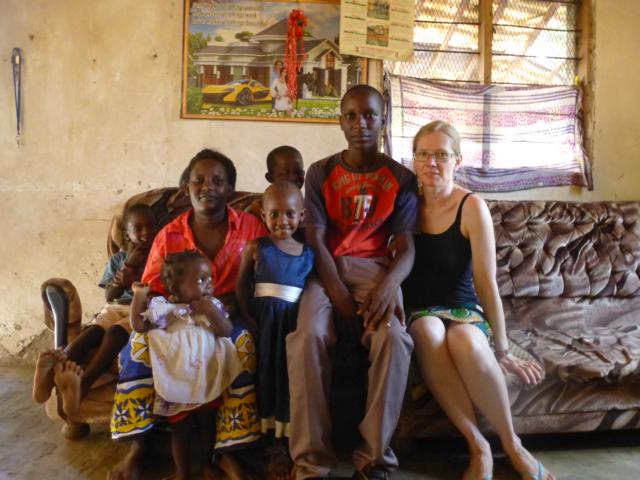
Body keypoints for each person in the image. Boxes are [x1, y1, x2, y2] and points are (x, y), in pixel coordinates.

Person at [402, 120, 555, 480]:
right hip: (419, 310)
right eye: (423, 154)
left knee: (465, 341)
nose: (431, 163)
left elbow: (486, 282)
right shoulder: (405, 204)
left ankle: (514, 446)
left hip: (462, 309)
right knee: (427, 330)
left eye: (441, 155)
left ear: (457, 160)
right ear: (414, 160)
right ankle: (478, 446)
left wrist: (503, 348)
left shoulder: (471, 206)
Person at [108, 149, 268, 480]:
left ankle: (229, 451)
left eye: (218, 181)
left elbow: (266, 277)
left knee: (242, 346)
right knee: (137, 348)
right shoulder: (169, 234)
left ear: (229, 189)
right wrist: (178, 309)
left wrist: (227, 304)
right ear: (186, 188)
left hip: (228, 314)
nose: (208, 186)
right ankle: (138, 448)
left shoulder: (251, 227)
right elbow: (151, 287)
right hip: (177, 316)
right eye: (199, 180)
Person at [287, 84, 418, 480]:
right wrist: (339, 295)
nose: (360, 123)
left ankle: (374, 458)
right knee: (307, 337)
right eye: (351, 115)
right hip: (327, 269)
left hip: (377, 270)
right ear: (340, 122)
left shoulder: (401, 177)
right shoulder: (320, 172)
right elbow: (315, 240)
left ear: (383, 120)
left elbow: (407, 247)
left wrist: (390, 285)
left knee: (393, 338)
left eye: (369, 115)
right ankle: (311, 462)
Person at [32, 203, 156, 419]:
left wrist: (138, 276)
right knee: (93, 331)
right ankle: (53, 368)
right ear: (127, 234)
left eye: (150, 227)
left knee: (115, 333)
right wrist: (127, 269)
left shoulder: (159, 256)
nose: (145, 233)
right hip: (116, 306)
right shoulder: (118, 260)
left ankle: (83, 383)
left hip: (140, 309)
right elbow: (109, 295)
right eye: (138, 228)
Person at [130, 251, 242, 480]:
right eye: (201, 280)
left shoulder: (212, 305)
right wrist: (139, 296)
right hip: (177, 379)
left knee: (207, 426)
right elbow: (139, 326)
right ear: (176, 288)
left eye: (210, 278)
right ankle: (181, 472)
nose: (209, 284)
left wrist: (211, 311)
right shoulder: (165, 309)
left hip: (204, 378)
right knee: (180, 431)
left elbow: (226, 330)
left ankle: (207, 463)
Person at [236, 181, 314, 480]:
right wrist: (247, 316)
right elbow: (242, 285)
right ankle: (266, 444)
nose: (282, 221)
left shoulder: (308, 254)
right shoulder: (257, 247)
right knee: (263, 376)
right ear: (263, 215)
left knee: (286, 378)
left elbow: (311, 294)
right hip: (263, 322)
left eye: (290, 214)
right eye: (275, 214)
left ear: (302, 217)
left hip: (291, 325)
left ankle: (285, 441)